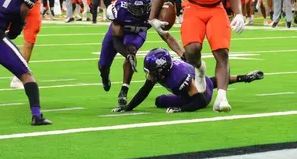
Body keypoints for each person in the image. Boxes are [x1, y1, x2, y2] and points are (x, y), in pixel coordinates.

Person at [99, 0, 185, 107]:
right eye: (136, 8)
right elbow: (116, 41)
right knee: (103, 65)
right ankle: (104, 76)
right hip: (118, 35)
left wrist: (183, 54)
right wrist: (127, 55)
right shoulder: (119, 10)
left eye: (141, 8)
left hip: (137, 33)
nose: (139, 12)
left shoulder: (153, 12)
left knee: (131, 50)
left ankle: (124, 89)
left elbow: (166, 36)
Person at [111, 48, 264, 113]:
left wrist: (181, 109)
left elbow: (200, 101)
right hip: (204, 82)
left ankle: (244, 77)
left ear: (162, 69)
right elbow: (145, 90)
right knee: (207, 82)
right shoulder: (165, 69)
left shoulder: (178, 77)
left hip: (202, 94)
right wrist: (128, 107)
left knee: (160, 101)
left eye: (153, 72)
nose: (150, 76)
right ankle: (245, 77)